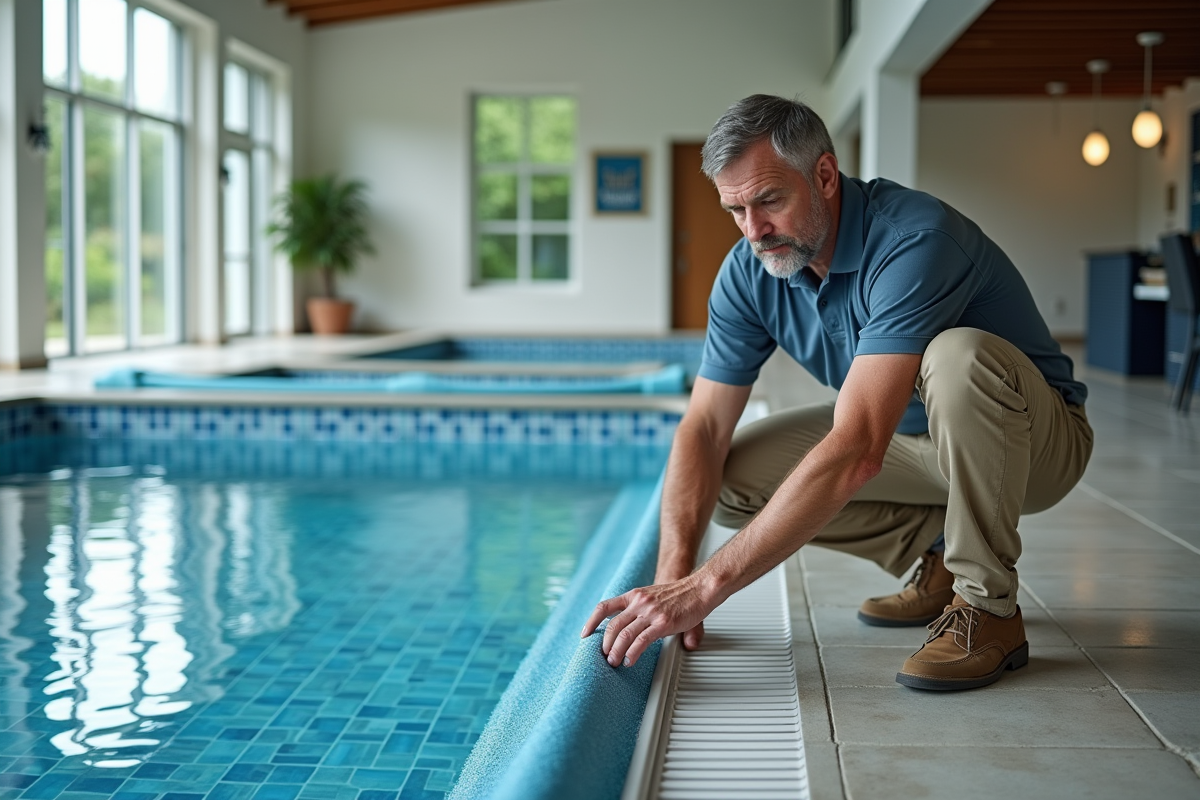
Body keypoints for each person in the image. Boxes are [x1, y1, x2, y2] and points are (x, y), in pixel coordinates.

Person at [580, 94, 1093, 691]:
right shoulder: (750, 271)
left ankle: (987, 610)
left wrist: (705, 589)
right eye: (735, 210)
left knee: (959, 358)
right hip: (919, 444)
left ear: (824, 175)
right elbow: (704, 428)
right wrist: (673, 574)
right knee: (736, 475)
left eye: (769, 200)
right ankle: (936, 556)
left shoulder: (913, 240)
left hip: (1033, 445)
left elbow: (857, 448)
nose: (754, 231)